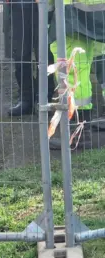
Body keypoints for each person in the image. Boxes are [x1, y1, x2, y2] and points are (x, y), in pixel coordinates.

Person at [47, 0, 105, 149]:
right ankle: (81, 130)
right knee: (84, 68)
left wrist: (46, 13)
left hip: (73, 16)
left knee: (72, 74)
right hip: (93, 14)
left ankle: (79, 133)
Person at [8, 0, 56, 117]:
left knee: (45, 52)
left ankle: (44, 97)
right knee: (21, 52)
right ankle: (26, 99)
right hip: (19, 5)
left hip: (44, 6)